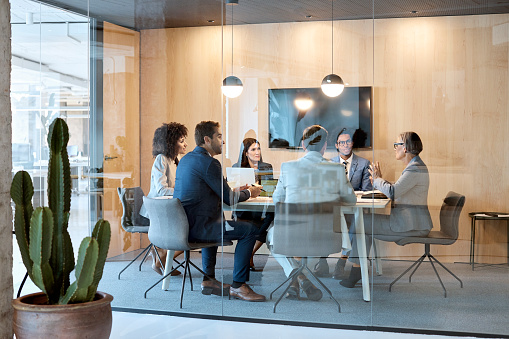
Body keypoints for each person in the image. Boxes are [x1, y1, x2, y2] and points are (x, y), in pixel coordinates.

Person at [173, 121, 266, 302]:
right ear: (207, 139)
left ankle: (208, 280)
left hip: (185, 226)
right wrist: (250, 192)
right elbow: (229, 200)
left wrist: (238, 190)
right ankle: (239, 286)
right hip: (200, 228)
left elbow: (214, 191)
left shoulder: (186, 160)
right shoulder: (210, 163)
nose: (222, 141)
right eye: (219, 136)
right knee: (251, 229)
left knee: (216, 219)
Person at [268, 125, 356, 301]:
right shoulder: (336, 169)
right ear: (325, 146)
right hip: (327, 238)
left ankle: (296, 277)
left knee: (271, 237)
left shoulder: (287, 167)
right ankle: (300, 278)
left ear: (303, 145)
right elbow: (351, 201)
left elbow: (277, 200)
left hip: (292, 235)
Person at [340, 131, 432, 288]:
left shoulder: (414, 169)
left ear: (406, 148)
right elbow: (398, 188)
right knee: (363, 222)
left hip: (408, 226)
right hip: (410, 223)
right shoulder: (415, 166)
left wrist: (377, 180)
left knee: (361, 223)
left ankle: (353, 268)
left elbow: (394, 192)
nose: (395, 148)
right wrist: (380, 181)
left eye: (397, 145)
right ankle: (356, 268)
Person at [313, 128, 372, 279]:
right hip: (333, 209)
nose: (345, 145)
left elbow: (366, 191)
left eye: (348, 141)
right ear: (336, 145)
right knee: (321, 221)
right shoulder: (327, 163)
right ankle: (322, 261)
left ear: (352, 143)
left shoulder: (364, 163)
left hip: (353, 209)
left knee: (356, 224)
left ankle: (341, 262)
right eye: (341, 142)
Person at [140, 122, 188, 276]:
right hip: (156, 210)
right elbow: (161, 190)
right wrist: (183, 191)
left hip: (168, 207)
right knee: (188, 233)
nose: (185, 144)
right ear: (170, 143)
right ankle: (161, 258)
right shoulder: (161, 159)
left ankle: (162, 261)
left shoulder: (176, 160)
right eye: (181, 141)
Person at [233, 138, 274, 271]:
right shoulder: (237, 168)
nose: (257, 152)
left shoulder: (266, 167)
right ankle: (248, 254)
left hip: (261, 205)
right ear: (246, 153)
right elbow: (232, 189)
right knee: (250, 220)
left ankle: (249, 252)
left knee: (271, 215)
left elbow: (269, 189)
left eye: (259, 149)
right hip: (244, 207)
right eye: (253, 149)